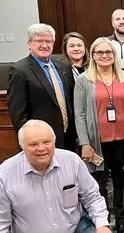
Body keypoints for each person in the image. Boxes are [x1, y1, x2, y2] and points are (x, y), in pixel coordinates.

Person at [74, 37, 124, 233]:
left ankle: (121, 220)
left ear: (114, 55)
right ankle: (102, 222)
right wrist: (85, 143)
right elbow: (80, 114)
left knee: (122, 182)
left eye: (108, 52)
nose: (104, 56)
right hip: (96, 143)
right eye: (99, 52)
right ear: (92, 55)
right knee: (98, 185)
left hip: (123, 140)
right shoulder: (84, 80)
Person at [7, 23, 77, 152]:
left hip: (68, 138)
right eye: (39, 41)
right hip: (41, 142)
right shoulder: (20, 70)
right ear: (29, 43)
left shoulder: (64, 67)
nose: (44, 45)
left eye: (48, 41)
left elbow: (71, 104)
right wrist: (30, 141)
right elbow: (18, 113)